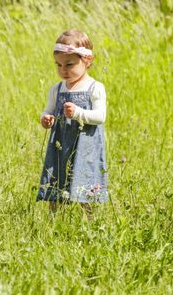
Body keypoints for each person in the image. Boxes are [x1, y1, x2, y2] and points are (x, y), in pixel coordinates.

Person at [36, 28, 108, 216]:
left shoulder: (95, 87)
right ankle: (53, 217)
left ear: (87, 61)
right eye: (58, 65)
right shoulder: (57, 89)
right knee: (57, 174)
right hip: (60, 144)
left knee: (86, 175)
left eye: (69, 64)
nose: (63, 70)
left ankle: (90, 218)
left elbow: (100, 116)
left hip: (86, 144)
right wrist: (45, 118)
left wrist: (78, 113)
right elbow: (48, 109)